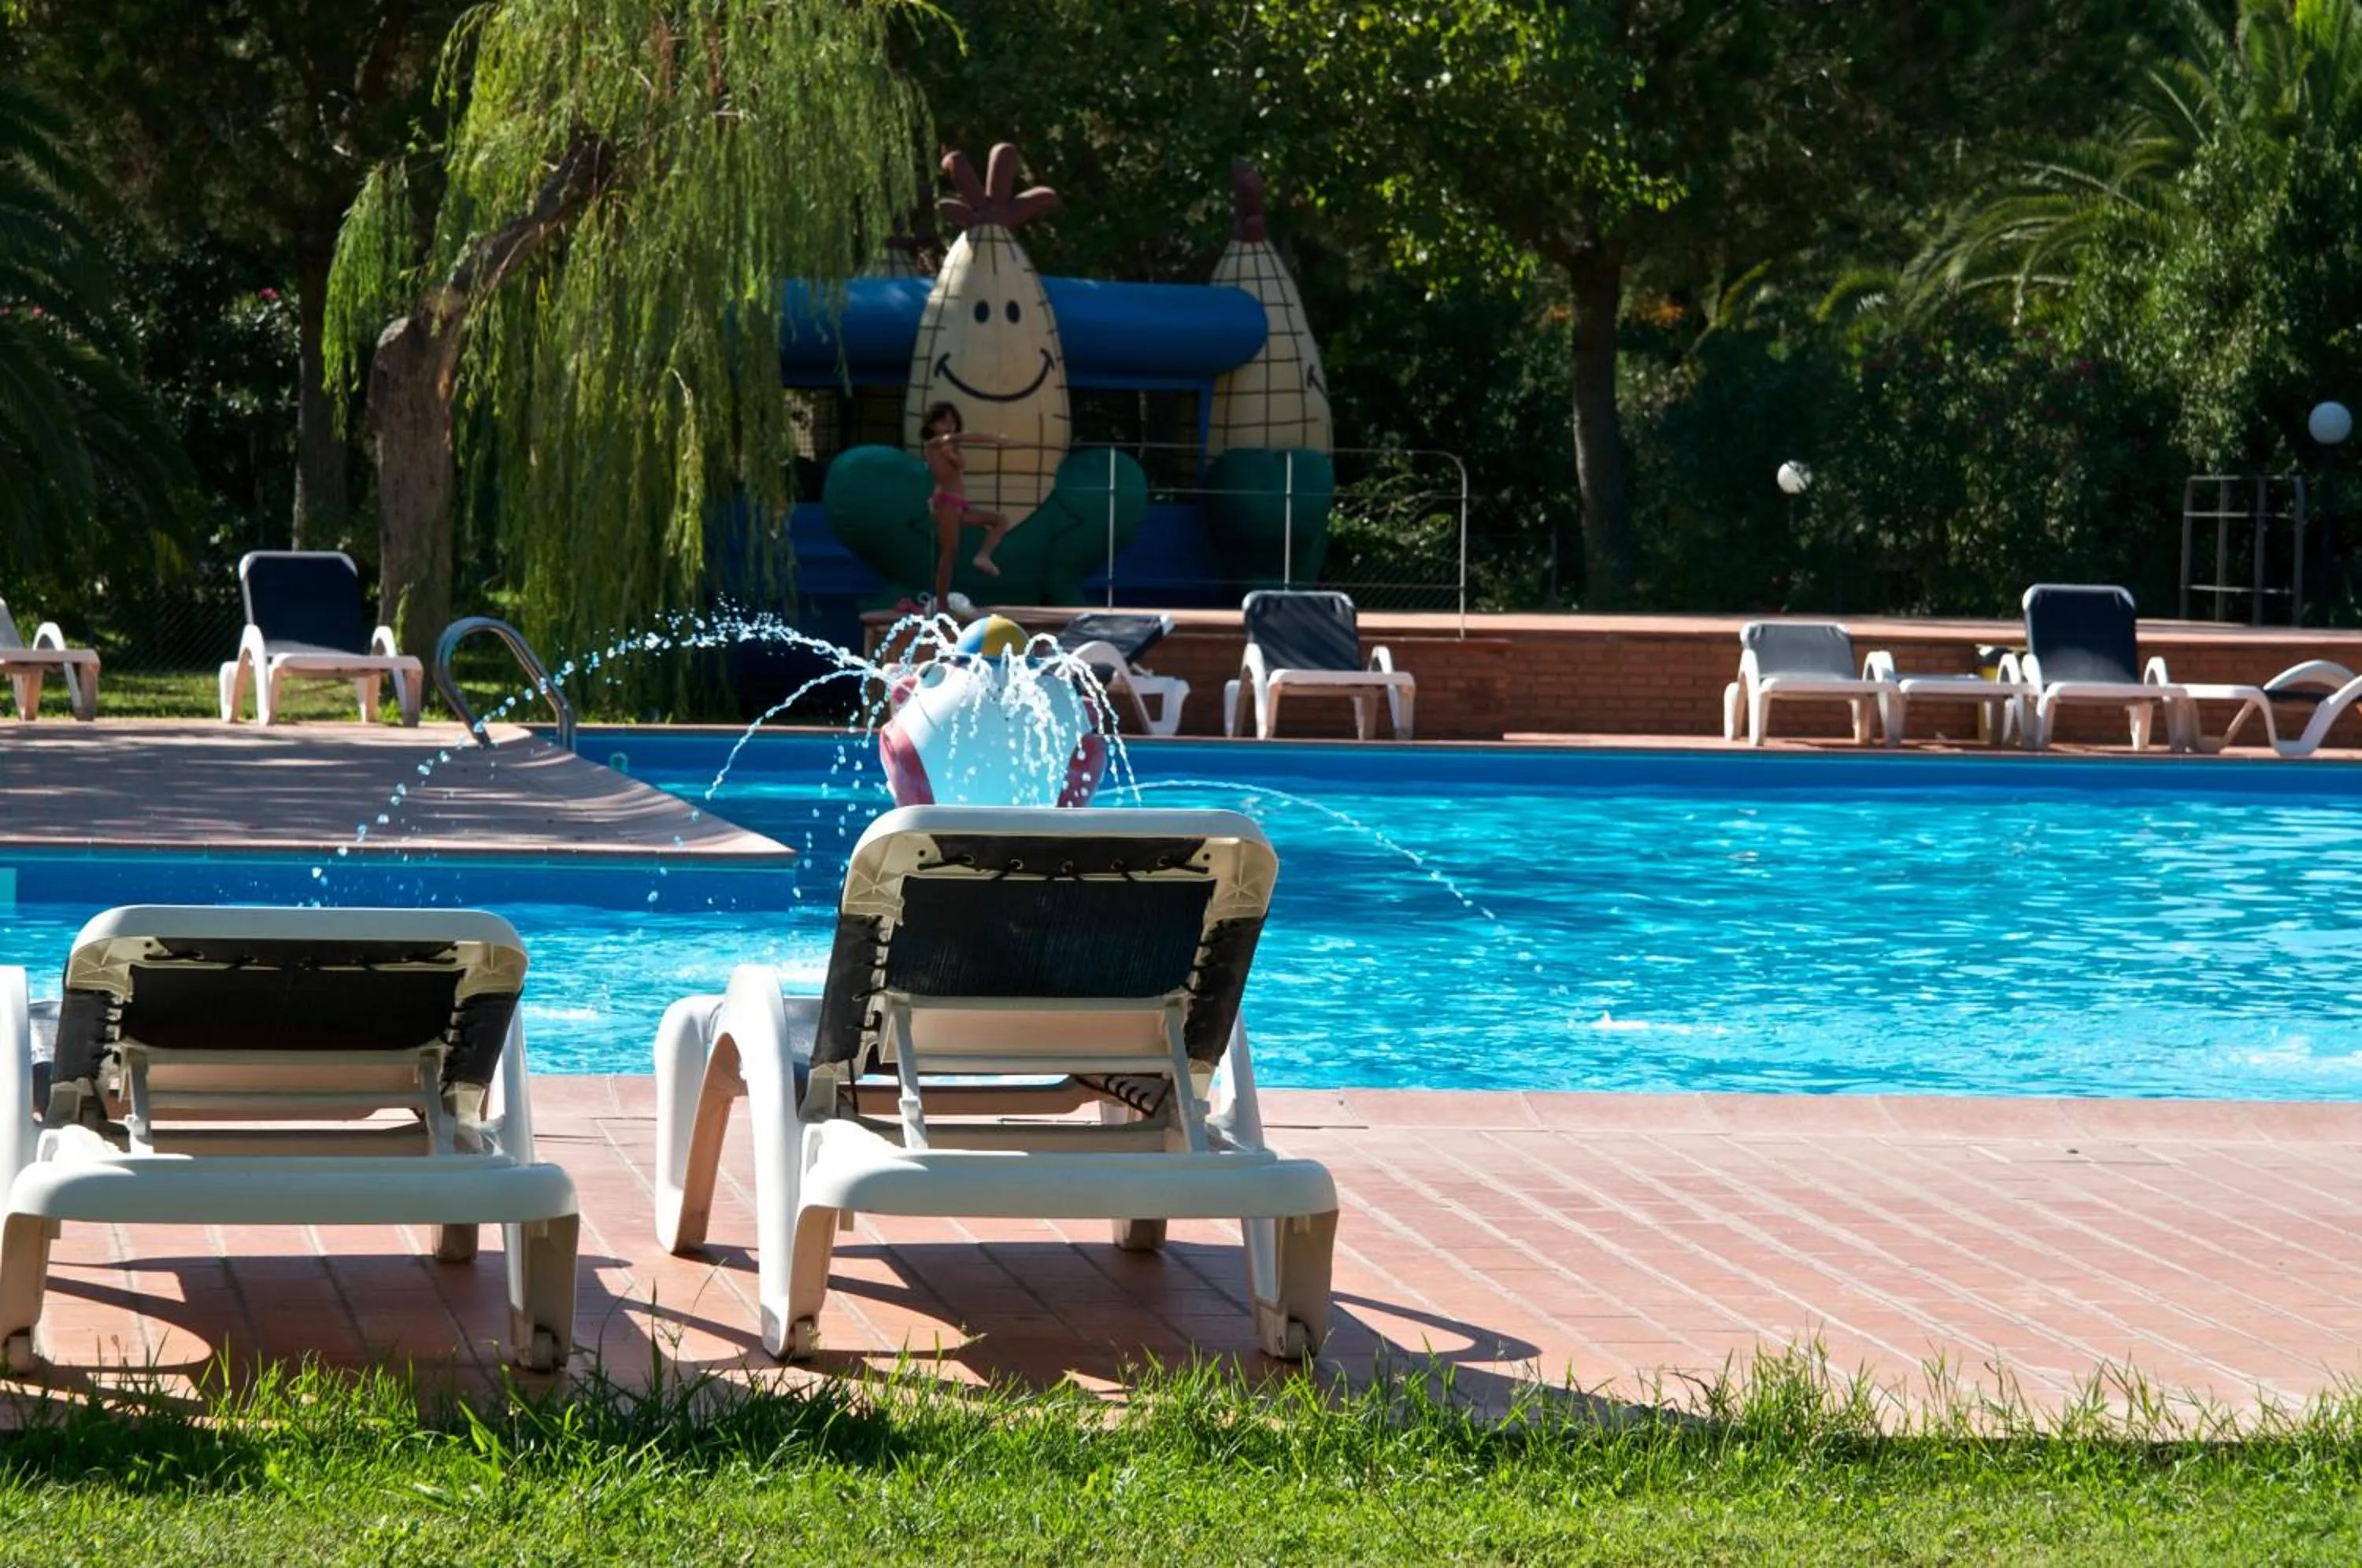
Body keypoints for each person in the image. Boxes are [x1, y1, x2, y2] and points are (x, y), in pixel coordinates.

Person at [920, 401, 1014, 611]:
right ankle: (942, 605)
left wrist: (953, 456)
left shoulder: (951, 447)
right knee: (949, 551)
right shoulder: (934, 443)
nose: (949, 424)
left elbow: (960, 466)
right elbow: (964, 437)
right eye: (944, 420)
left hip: (958, 504)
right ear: (933, 425)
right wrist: (994, 439)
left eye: (952, 420)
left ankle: (983, 556)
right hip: (945, 503)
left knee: (1000, 520)